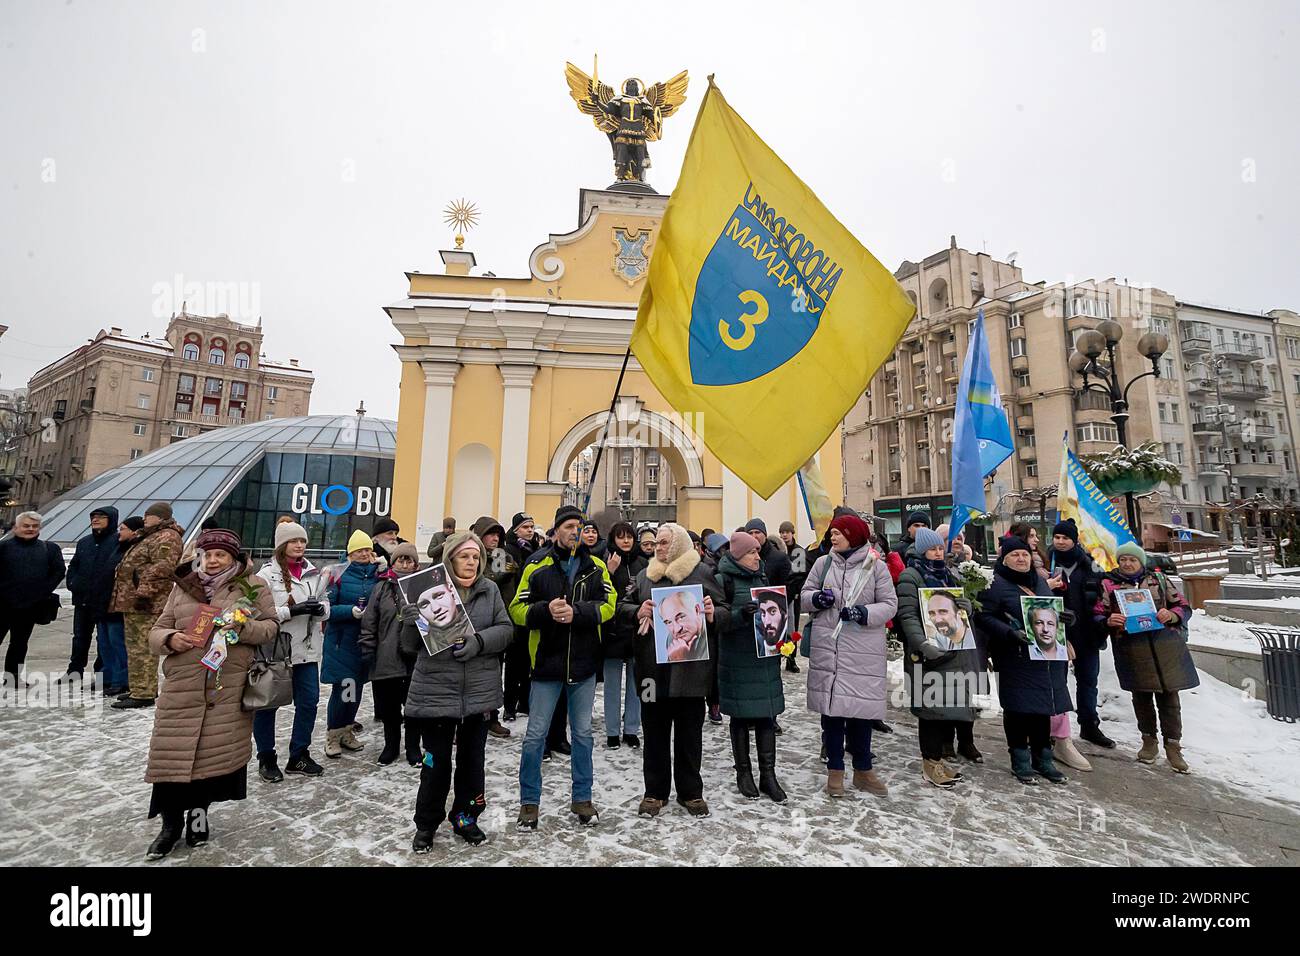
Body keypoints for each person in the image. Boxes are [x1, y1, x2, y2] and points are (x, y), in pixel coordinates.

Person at [142, 528, 278, 860]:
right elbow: (157, 630)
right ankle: (169, 827)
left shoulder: (252, 586)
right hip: (182, 687)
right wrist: (171, 639)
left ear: (234, 557)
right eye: (208, 555)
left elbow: (271, 626)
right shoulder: (184, 586)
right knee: (170, 762)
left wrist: (243, 629)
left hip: (225, 688)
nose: (214, 561)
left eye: (221, 555)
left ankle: (198, 820)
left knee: (208, 763)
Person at [509, 505, 616, 830]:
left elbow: (609, 605)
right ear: (556, 532)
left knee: (583, 735)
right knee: (535, 736)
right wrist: (545, 610)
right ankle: (529, 802)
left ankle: (582, 798)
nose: (574, 531)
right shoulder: (536, 566)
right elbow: (516, 609)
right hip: (546, 665)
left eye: (578, 526)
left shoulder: (596, 567)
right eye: (568, 526)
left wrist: (578, 613)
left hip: (583, 665)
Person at [405, 532, 513, 849]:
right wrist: (410, 622)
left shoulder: (489, 590)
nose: (471, 562)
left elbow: (506, 631)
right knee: (435, 765)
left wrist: (479, 642)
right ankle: (426, 825)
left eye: (476, 556)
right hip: (436, 692)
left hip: (478, 694)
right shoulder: (428, 591)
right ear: (450, 559)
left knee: (472, 764)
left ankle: (466, 819)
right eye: (464, 556)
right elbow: (408, 648)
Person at [627, 522, 724, 818]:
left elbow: (725, 610)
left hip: (691, 672)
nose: (659, 547)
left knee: (689, 735)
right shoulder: (646, 576)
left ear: (680, 543)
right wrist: (636, 612)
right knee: (654, 732)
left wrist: (712, 614)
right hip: (651, 671)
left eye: (665, 542)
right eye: (657, 542)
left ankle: (691, 792)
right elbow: (622, 606)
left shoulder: (703, 574)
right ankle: (654, 793)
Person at [802, 513, 895, 797]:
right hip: (829, 648)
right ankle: (835, 772)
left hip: (862, 650)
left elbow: (890, 605)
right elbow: (805, 595)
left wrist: (863, 613)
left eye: (839, 532)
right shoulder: (823, 562)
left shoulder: (875, 565)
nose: (833, 536)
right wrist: (817, 599)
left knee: (860, 713)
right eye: (832, 532)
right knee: (831, 713)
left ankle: (863, 770)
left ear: (853, 535)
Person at [973, 536, 1071, 786]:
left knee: (1041, 711)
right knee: (1018, 710)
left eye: (1025, 554)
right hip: (1014, 656)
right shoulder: (995, 584)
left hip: (1043, 658)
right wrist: (1008, 633)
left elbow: (1050, 611)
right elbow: (984, 617)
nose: (1021, 558)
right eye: (1015, 555)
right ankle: (1020, 759)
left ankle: (1043, 758)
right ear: (1004, 559)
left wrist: (1066, 618)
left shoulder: (1039, 582)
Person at [1094, 541, 1197, 773]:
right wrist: (1108, 621)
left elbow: (1182, 605)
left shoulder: (1157, 580)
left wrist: (1171, 615)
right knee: (1141, 697)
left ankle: (1173, 745)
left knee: (1170, 698)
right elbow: (1098, 613)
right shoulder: (1109, 583)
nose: (1127, 564)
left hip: (1164, 646)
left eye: (1132, 559)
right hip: (1132, 646)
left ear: (1140, 561)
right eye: (1123, 560)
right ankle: (1148, 741)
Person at [895, 527, 983, 789]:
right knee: (931, 711)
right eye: (932, 548)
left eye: (939, 547)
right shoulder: (911, 576)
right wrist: (922, 643)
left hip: (951, 652)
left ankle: (937, 760)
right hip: (928, 655)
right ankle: (930, 763)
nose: (937, 551)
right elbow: (908, 615)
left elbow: (956, 611)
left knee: (945, 707)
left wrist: (965, 608)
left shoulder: (948, 574)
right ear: (922, 550)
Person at [254, 521, 331, 781]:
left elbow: (326, 601)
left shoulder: (313, 572)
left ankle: (299, 754)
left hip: (307, 650)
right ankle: (266, 757)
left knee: (308, 703)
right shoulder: (265, 575)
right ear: (281, 545)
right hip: (275, 651)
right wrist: (291, 611)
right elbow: (257, 613)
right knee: (267, 705)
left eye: (302, 541)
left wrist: (321, 610)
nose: (299, 545)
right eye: (293, 541)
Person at [715, 531, 787, 803]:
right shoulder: (723, 580)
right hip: (737, 659)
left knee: (767, 715)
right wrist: (739, 616)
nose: (758, 556)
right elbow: (718, 621)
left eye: (758, 551)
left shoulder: (763, 578)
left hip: (764, 659)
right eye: (752, 552)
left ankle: (768, 775)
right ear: (738, 556)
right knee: (741, 718)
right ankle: (743, 772)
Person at [1048, 518, 1114, 754]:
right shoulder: (1048, 562)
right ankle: (1055, 729)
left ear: (1074, 540)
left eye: (1065, 538)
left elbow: (1102, 593)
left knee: (1088, 681)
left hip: (1087, 632)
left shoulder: (1089, 564)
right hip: (1055, 633)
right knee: (1056, 683)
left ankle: (1089, 724)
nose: (1060, 542)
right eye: (1057, 537)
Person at [110, 502, 183, 709]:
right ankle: (139, 687)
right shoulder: (151, 535)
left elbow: (162, 567)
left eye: (148, 515)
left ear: (160, 517)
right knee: (134, 647)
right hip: (134, 601)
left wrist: (143, 593)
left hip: (147, 603)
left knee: (142, 647)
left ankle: (144, 692)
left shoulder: (167, 536)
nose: (144, 518)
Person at [358, 541, 422, 767]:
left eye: (409, 560)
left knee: (414, 708)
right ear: (393, 562)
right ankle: (391, 746)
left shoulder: (422, 586)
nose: (405, 563)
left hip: (415, 657)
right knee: (390, 708)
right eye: (401, 559)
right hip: (386, 655)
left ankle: (414, 748)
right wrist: (368, 647)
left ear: (415, 564)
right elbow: (370, 620)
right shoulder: (381, 587)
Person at [321, 530, 381, 758]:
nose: (364, 554)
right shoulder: (338, 575)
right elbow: (326, 609)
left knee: (355, 691)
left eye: (367, 550)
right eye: (359, 551)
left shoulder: (377, 575)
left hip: (364, 643)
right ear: (350, 554)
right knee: (344, 689)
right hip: (341, 643)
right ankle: (333, 735)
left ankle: (347, 731)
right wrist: (351, 612)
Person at [62, 506, 126, 693]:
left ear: (111, 520)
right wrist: (73, 583)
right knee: (80, 637)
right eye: (93, 516)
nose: (95, 520)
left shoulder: (117, 541)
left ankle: (102, 674)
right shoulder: (84, 542)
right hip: (82, 599)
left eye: (101, 517)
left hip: (104, 600)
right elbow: (74, 566)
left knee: (104, 640)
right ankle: (74, 670)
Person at [0, 511, 66, 688]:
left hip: (30, 605)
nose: (30, 529)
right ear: (16, 527)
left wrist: (43, 591)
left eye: (34, 526)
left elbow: (59, 571)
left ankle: (12, 678)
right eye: (26, 526)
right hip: (3, 604)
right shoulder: (3, 547)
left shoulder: (49, 548)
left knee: (19, 644)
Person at [602, 521, 645, 749]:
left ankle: (631, 729)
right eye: (620, 537)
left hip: (638, 631)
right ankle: (611, 731)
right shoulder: (605, 561)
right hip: (613, 631)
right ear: (613, 539)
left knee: (635, 684)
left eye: (629, 536)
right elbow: (599, 592)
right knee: (611, 685)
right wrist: (609, 571)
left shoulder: (643, 564)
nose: (626, 541)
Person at [470, 515, 513, 738]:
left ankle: (492, 717)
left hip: (497, 622)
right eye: (490, 533)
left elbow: (501, 579)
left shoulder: (502, 556)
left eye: (498, 534)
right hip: (471, 624)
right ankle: (466, 719)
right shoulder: (470, 556)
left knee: (494, 673)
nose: (495, 538)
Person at [501, 513, 541, 722]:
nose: (530, 530)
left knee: (529, 660)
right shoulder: (506, 549)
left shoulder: (537, 550)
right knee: (514, 663)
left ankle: (525, 702)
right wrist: (511, 570)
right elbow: (498, 576)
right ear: (516, 529)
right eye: (526, 527)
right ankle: (509, 705)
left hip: (531, 610)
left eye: (532, 526)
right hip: (512, 610)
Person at [778, 521, 807, 673]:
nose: (784, 535)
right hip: (779, 595)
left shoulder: (798, 552)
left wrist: (794, 593)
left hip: (792, 596)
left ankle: (791, 659)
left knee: (793, 628)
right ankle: (779, 656)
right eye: (782, 532)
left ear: (792, 533)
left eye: (787, 532)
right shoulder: (778, 551)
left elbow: (800, 576)